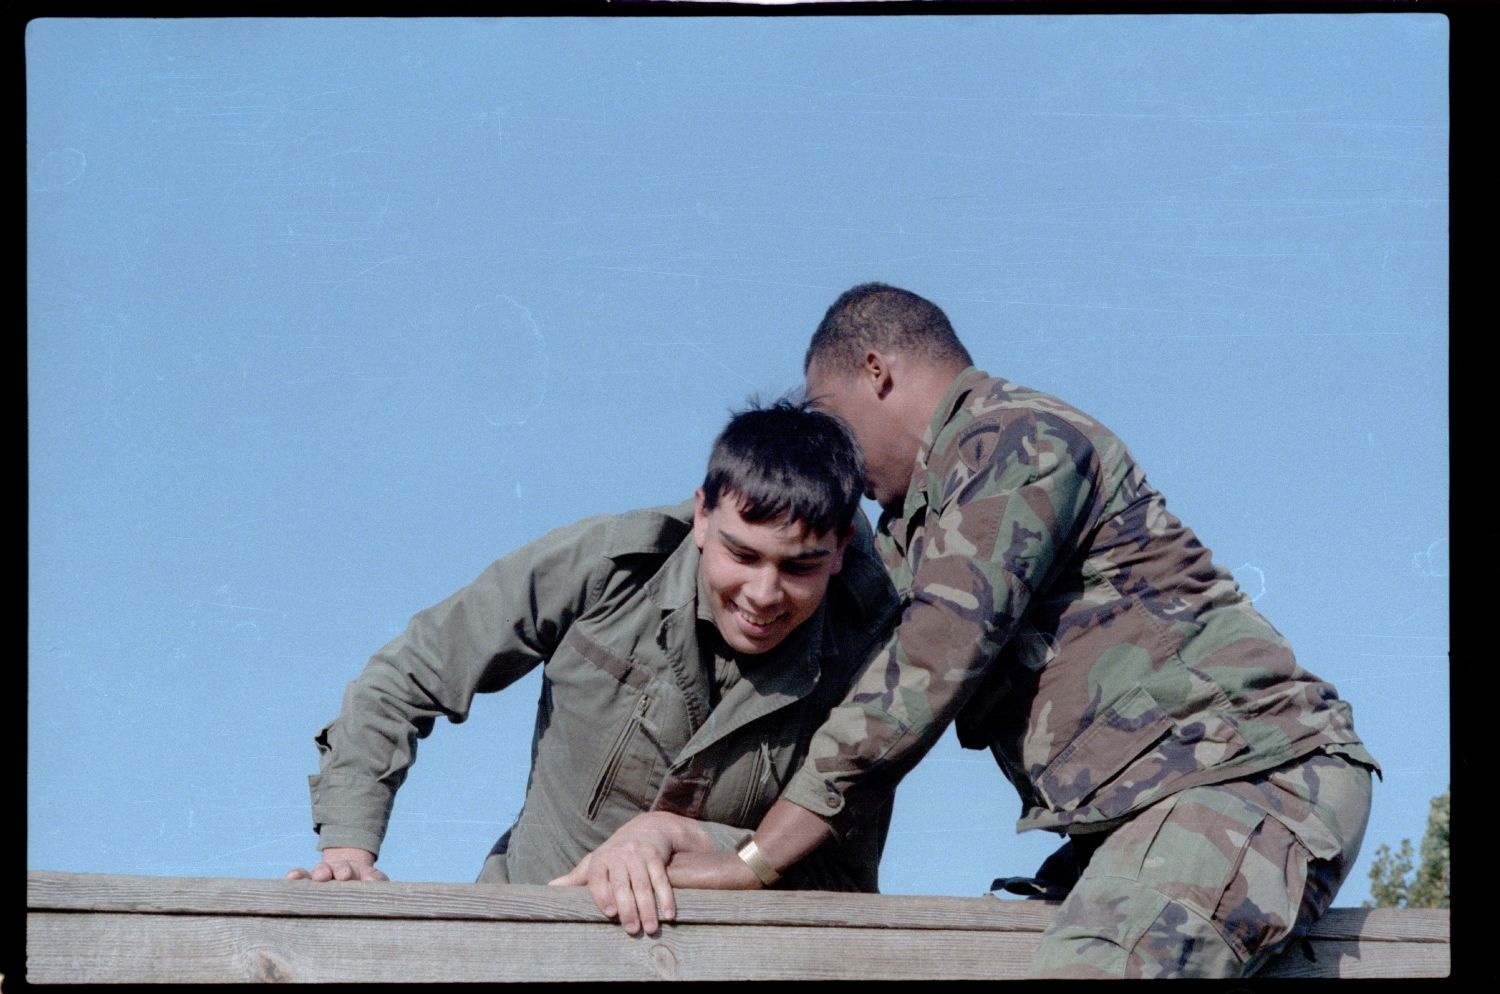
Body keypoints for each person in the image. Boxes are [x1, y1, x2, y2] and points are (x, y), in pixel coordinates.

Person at [566, 283, 1381, 979]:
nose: (831, 462)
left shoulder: (1019, 441)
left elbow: (927, 662)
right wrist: (681, 832)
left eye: (827, 414)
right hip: (1145, 820)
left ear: (875, 373)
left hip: (1245, 783)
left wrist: (754, 860)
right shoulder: (913, 530)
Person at [287, 398, 900, 936]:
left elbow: (841, 875)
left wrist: (683, 840)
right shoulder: (607, 568)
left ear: (842, 549)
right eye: (743, 555)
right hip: (525, 941)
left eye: (799, 568)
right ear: (703, 517)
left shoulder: (873, 659)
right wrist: (348, 848)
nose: (764, 594)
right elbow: (408, 677)